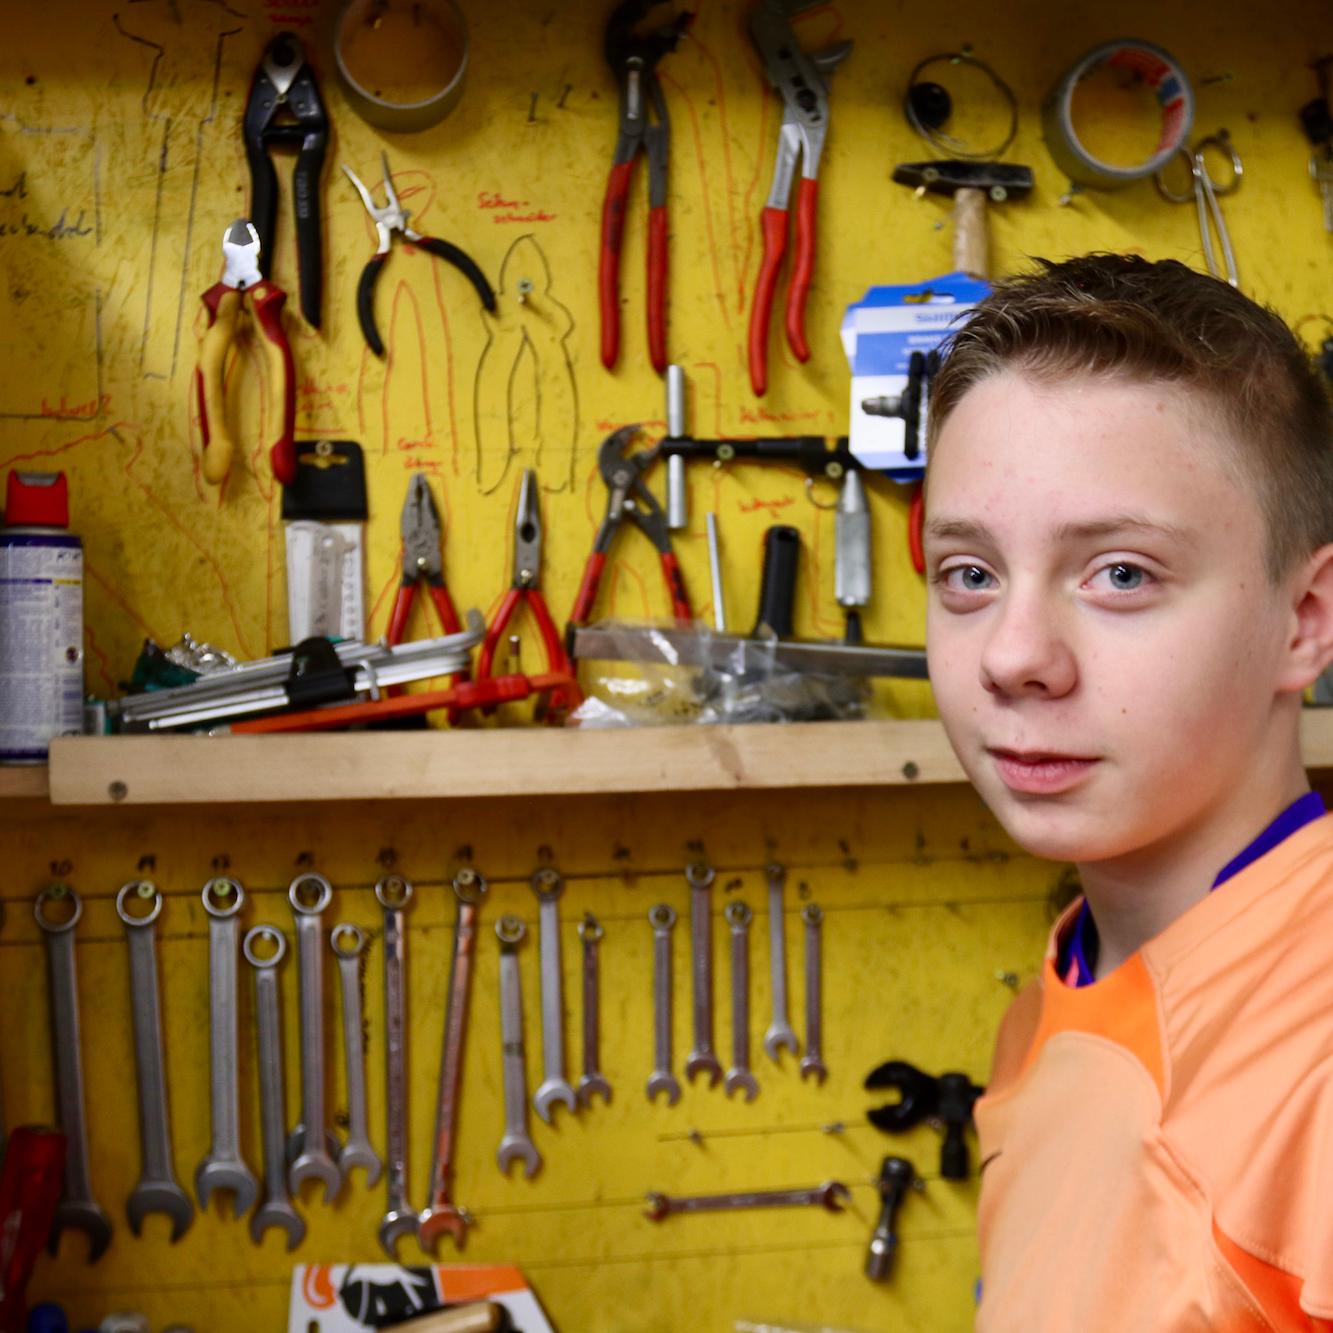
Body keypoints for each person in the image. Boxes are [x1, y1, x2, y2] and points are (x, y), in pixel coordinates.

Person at [922, 253, 1333, 1330]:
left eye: (1119, 573)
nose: (1013, 657)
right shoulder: (1055, 999)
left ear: (1305, 621)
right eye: (969, 573)